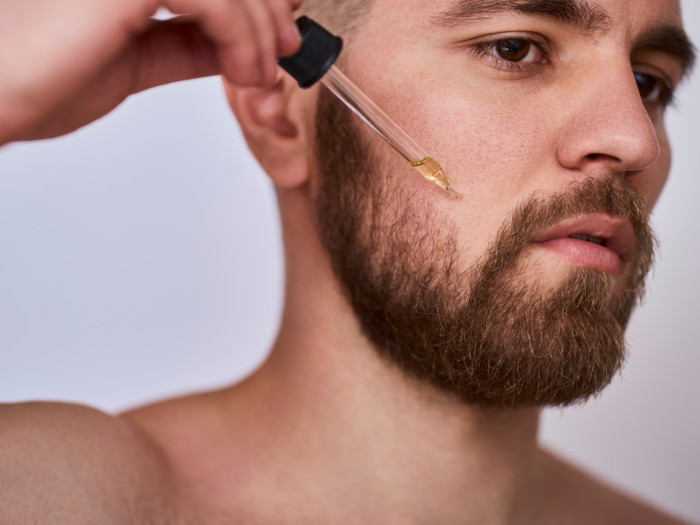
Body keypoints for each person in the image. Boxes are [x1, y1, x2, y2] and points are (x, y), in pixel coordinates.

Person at [0, 0, 696, 522]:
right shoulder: (51, 499)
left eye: (648, 81)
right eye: (514, 48)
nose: (633, 138)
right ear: (278, 113)